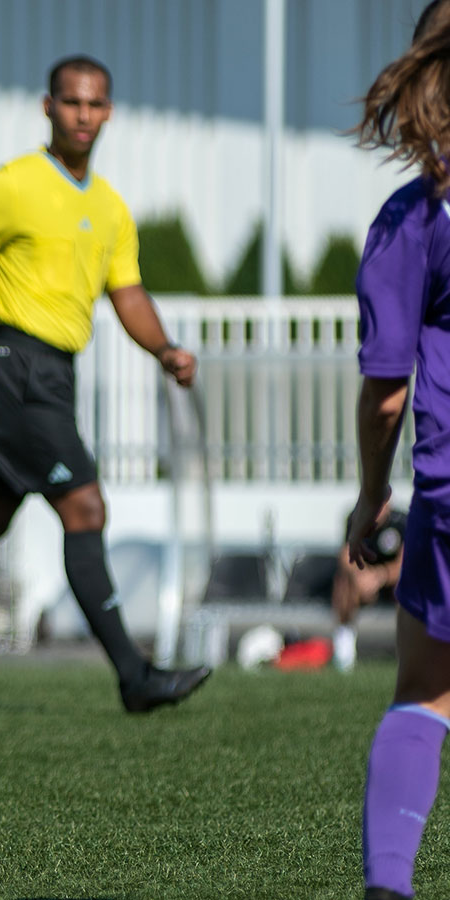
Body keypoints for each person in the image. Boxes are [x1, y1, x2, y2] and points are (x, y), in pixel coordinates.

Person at [0, 54, 211, 715]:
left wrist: (164, 348)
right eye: (72, 102)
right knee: (85, 509)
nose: (84, 115)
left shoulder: (109, 206)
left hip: (53, 376)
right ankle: (135, 677)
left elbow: (128, 293)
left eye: (96, 104)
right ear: (48, 107)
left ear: (109, 112)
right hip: (15, 368)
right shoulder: (12, 186)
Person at [347, 3, 450, 896]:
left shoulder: (414, 218)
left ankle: (390, 882)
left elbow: (387, 394)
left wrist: (368, 496)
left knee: (424, 692)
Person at [331, 507, 405, 672]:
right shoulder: (355, 518)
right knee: (344, 583)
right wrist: (361, 576)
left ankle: (409, 647)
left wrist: (380, 576)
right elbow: (347, 555)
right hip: (364, 582)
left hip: (391, 583)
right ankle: (344, 644)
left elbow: (406, 562)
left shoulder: (402, 522)